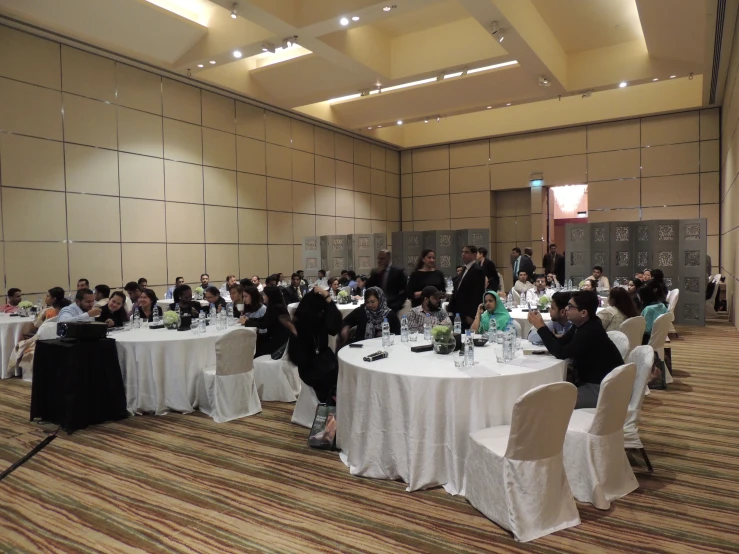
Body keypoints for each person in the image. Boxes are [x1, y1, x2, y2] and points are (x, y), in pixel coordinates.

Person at [528, 290, 624, 409]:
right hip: (596, 382)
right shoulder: (583, 324)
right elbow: (560, 343)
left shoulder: (590, 331)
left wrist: (541, 327)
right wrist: (542, 326)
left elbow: (561, 353)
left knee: (552, 400)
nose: (566, 308)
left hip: (603, 388)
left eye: (570, 306)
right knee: (550, 393)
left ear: (583, 312)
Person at [287, 286, 343, 403]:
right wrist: (328, 298)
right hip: (312, 367)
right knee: (336, 375)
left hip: (311, 364)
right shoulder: (312, 323)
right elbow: (334, 327)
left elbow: (333, 327)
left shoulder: (301, 320)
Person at [448, 245, 486, 331]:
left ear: (474, 254)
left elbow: (478, 294)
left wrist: (472, 315)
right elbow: (457, 290)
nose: (463, 254)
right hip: (458, 312)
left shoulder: (477, 270)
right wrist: (450, 309)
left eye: (466, 252)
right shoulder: (465, 269)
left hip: (467, 314)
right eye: (462, 252)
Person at [255, 285, 291, 357]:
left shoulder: (276, 308)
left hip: (278, 342)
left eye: (264, 295)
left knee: (256, 346)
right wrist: (249, 320)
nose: (263, 297)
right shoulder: (276, 306)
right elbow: (264, 319)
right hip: (277, 338)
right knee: (257, 339)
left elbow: (264, 324)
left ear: (269, 296)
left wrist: (247, 322)